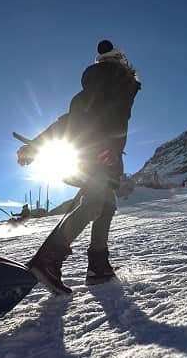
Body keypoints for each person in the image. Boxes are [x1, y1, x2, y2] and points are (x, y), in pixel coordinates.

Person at [17, 39, 141, 294]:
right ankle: (49, 259)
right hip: (101, 155)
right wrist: (110, 150)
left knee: (105, 205)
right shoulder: (118, 82)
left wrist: (36, 146)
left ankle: (98, 266)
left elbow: (67, 122)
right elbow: (111, 118)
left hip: (89, 154)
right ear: (119, 61)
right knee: (96, 204)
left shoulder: (86, 92)